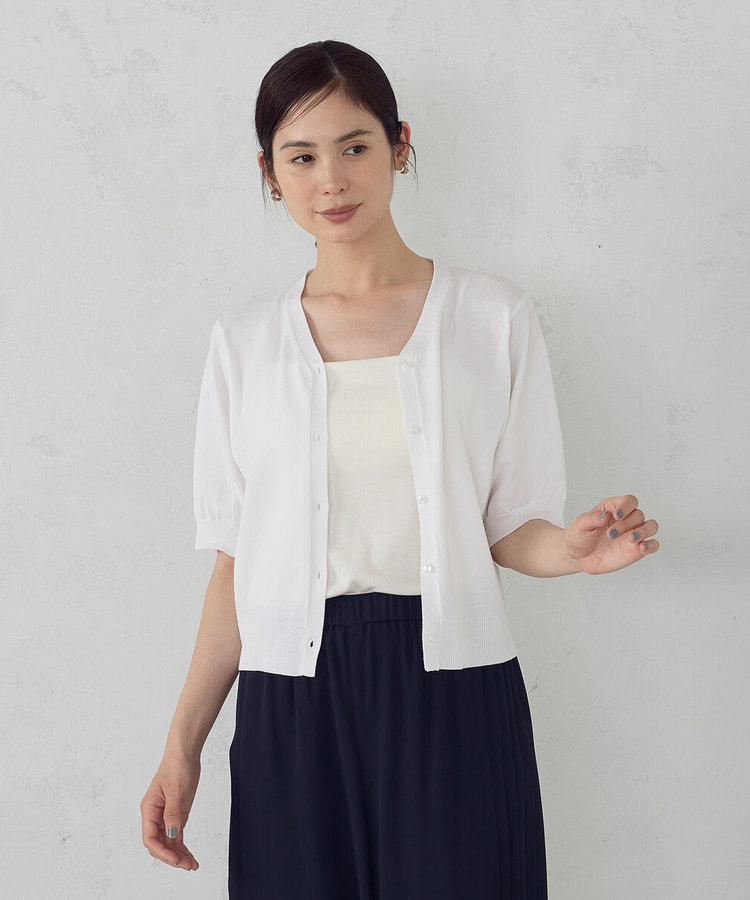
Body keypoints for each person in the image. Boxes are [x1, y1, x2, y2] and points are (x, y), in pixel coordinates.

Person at [140, 39, 660, 899]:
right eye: (301, 157)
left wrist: (571, 551)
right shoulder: (243, 343)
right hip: (288, 703)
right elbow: (235, 563)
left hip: (455, 691)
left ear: (399, 146)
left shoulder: (493, 317)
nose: (331, 180)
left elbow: (510, 527)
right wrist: (181, 747)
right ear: (269, 173)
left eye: (355, 146)